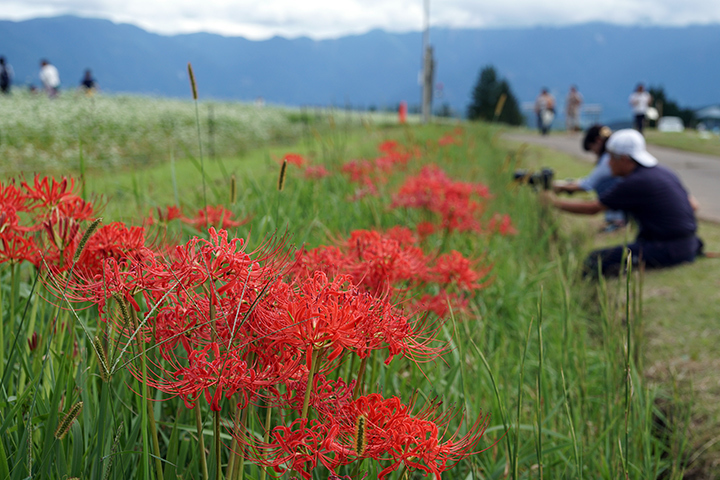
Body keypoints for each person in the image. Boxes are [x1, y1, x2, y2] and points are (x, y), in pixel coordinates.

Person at [544, 129, 703, 277]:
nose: (608, 163)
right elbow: (693, 205)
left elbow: (592, 209)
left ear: (625, 159)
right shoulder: (663, 172)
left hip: (667, 249)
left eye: (612, 157)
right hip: (690, 243)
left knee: (595, 260)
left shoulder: (636, 182)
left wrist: (553, 203)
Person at [553, 125, 626, 232]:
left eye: (592, 149)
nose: (594, 153)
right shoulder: (613, 157)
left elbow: (587, 184)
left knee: (604, 184)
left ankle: (617, 221)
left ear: (598, 141)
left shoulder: (608, 160)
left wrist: (559, 187)